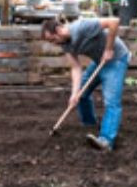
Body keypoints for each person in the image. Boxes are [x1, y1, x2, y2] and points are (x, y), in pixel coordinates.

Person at [41, 16, 128, 151]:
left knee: (111, 101)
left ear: (58, 30)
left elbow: (114, 22)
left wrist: (109, 49)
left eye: (53, 39)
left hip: (116, 58)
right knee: (81, 95)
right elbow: (76, 68)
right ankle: (89, 124)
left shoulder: (82, 27)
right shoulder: (65, 44)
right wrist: (74, 93)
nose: (54, 43)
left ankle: (106, 141)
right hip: (99, 61)